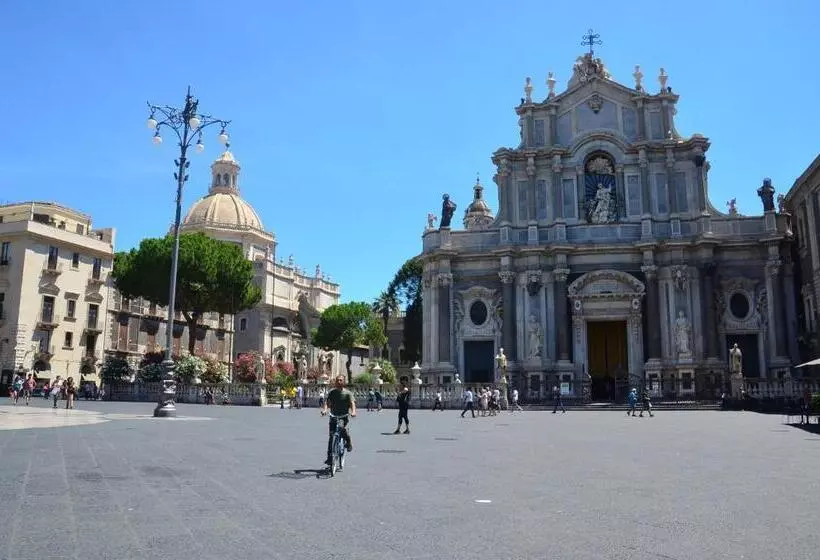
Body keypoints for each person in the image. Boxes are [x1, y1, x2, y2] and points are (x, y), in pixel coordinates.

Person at [321, 375, 356, 466]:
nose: (338, 382)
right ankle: (330, 458)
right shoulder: (332, 392)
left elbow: (352, 403)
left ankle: (348, 442)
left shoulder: (348, 393)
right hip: (333, 416)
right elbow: (327, 403)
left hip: (343, 417)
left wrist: (353, 412)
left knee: (341, 427)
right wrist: (325, 410)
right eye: (337, 380)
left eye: (340, 380)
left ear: (344, 382)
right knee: (331, 436)